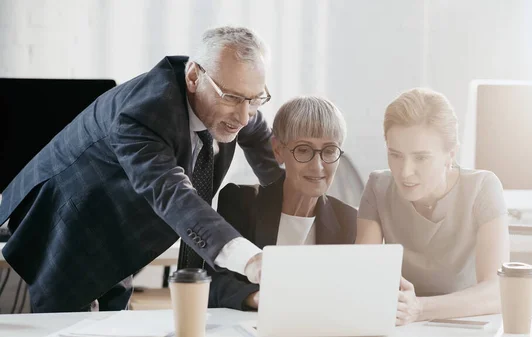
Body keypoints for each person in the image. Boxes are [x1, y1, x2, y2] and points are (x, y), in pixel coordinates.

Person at [0, 26, 283, 313]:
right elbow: (175, 197)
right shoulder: (142, 115)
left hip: (120, 228)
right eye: (232, 98)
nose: (244, 116)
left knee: (113, 321)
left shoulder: (237, 102)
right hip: (69, 223)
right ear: (194, 77)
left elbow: (272, 160)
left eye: (255, 99)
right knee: (65, 326)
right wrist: (252, 262)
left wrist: (303, 204)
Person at [356, 88, 509, 325]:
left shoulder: (483, 188)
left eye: (421, 158)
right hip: (402, 326)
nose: (405, 172)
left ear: (450, 154)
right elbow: (362, 276)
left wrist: (420, 309)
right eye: (395, 155)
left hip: (466, 324)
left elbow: (499, 291)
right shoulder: (378, 187)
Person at [206, 96, 357, 310]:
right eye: (303, 150)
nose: (318, 166)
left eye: (330, 150)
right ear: (277, 150)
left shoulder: (349, 220)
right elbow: (212, 285)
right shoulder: (240, 202)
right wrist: (258, 298)